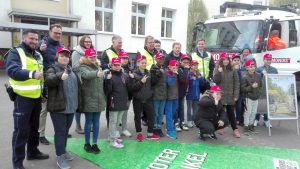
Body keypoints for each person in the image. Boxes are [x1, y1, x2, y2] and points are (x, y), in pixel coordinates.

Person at [5, 29, 49, 169]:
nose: (34, 41)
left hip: (36, 98)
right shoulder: (15, 52)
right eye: (31, 38)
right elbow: (12, 71)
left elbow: (42, 75)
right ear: (23, 38)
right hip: (22, 98)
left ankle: (32, 152)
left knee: (34, 128)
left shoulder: (37, 54)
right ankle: (17, 163)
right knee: (21, 131)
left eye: (36, 39)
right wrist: (30, 74)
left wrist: (43, 92)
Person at [45, 46, 80, 169]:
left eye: (67, 56)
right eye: (62, 55)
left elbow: (77, 89)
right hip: (59, 108)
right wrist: (59, 76)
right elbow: (48, 80)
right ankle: (60, 156)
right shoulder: (52, 69)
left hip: (71, 107)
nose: (65, 58)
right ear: (57, 57)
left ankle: (63, 150)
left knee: (65, 132)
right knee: (60, 132)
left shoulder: (71, 71)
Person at [37, 23, 63, 145]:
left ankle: (60, 131)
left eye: (59, 33)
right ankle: (40, 134)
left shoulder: (61, 46)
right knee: (44, 110)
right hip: (45, 81)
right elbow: (33, 58)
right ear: (50, 32)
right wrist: (39, 51)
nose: (58, 35)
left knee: (58, 107)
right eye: (55, 32)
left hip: (58, 80)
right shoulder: (41, 45)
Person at [80, 48, 106, 153]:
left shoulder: (98, 66)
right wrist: (96, 73)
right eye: (90, 56)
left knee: (96, 122)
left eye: (94, 56)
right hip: (89, 99)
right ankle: (87, 143)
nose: (92, 58)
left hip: (99, 99)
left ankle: (95, 143)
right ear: (86, 57)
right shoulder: (83, 67)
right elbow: (86, 75)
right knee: (88, 122)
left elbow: (101, 85)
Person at [129, 55, 160, 141]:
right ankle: (139, 133)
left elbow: (152, 85)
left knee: (151, 116)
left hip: (148, 99)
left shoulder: (149, 73)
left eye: (145, 63)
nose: (144, 64)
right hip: (137, 100)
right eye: (142, 63)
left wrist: (157, 75)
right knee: (137, 117)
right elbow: (132, 88)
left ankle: (150, 134)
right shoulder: (133, 74)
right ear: (138, 63)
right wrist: (141, 82)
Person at [213, 53, 241, 138]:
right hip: (220, 96)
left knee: (231, 113)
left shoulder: (233, 70)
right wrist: (219, 72)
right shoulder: (217, 69)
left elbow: (237, 83)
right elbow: (215, 81)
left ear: (229, 60)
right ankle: (221, 127)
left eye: (227, 59)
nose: (225, 61)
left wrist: (236, 95)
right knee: (221, 112)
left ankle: (235, 129)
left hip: (230, 96)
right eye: (223, 59)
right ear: (221, 60)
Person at [104, 57, 130, 149]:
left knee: (118, 121)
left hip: (122, 102)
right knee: (113, 121)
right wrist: (107, 80)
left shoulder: (124, 75)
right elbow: (107, 91)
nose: (117, 66)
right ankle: (112, 141)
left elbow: (128, 88)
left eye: (118, 64)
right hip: (113, 102)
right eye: (115, 65)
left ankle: (113, 137)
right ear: (111, 65)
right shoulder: (108, 75)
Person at [72, 35, 94, 134]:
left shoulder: (92, 51)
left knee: (88, 103)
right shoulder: (76, 53)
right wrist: (81, 62)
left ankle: (89, 124)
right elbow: (74, 68)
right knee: (79, 105)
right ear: (82, 42)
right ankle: (78, 126)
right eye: (86, 42)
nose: (88, 43)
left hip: (90, 80)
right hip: (80, 81)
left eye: (89, 42)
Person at [254, 53, 278, 128]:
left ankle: (266, 121)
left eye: (270, 59)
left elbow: (276, 81)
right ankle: (256, 119)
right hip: (260, 91)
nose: (268, 61)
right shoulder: (258, 69)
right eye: (267, 59)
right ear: (263, 60)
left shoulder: (274, 70)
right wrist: (261, 74)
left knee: (268, 106)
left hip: (270, 91)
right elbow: (255, 79)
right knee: (259, 105)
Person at [241, 60, 262, 136]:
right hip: (248, 97)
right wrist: (251, 87)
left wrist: (258, 92)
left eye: (253, 66)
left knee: (254, 112)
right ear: (246, 68)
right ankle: (246, 127)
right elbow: (243, 89)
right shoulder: (244, 77)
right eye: (250, 66)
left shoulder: (258, 75)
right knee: (248, 112)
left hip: (256, 97)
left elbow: (260, 85)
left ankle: (251, 126)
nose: (253, 68)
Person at [151, 52, 167, 137]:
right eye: (159, 58)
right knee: (155, 113)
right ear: (156, 59)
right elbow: (152, 82)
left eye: (162, 58)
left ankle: (159, 128)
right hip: (156, 95)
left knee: (161, 113)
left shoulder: (164, 68)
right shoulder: (153, 68)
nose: (161, 60)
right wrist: (159, 73)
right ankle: (154, 128)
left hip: (163, 95)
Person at [186, 60, 205, 128]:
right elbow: (187, 82)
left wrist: (200, 78)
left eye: (196, 65)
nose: (195, 66)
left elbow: (202, 84)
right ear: (190, 66)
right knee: (189, 109)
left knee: (196, 109)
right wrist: (191, 78)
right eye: (194, 65)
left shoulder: (198, 73)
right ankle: (189, 121)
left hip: (197, 95)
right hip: (190, 95)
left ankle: (195, 120)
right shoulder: (188, 73)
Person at [175, 54, 191, 131]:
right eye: (184, 62)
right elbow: (182, 79)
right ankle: (176, 123)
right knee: (177, 108)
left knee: (181, 108)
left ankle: (182, 122)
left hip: (183, 92)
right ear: (180, 62)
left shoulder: (187, 69)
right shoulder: (179, 69)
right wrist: (186, 69)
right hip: (177, 92)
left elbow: (187, 81)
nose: (186, 64)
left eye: (187, 62)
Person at [118, 51, 132, 137]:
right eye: (123, 58)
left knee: (125, 113)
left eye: (126, 58)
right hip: (118, 96)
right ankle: (115, 131)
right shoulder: (116, 68)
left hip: (128, 95)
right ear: (119, 59)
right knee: (117, 114)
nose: (125, 60)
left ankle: (124, 129)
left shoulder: (130, 69)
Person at [165, 60, 180, 139]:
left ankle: (171, 126)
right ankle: (169, 130)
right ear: (169, 67)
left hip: (175, 96)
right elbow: (169, 83)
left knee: (174, 112)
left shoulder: (177, 73)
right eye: (173, 67)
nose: (175, 68)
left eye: (176, 67)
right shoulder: (167, 73)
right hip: (169, 97)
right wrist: (174, 74)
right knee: (169, 114)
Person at [231, 54, 244, 125]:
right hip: (232, 92)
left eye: (238, 60)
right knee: (231, 107)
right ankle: (231, 120)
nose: (236, 62)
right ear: (232, 61)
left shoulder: (243, 70)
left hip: (240, 92)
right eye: (235, 60)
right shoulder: (230, 70)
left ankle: (238, 120)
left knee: (239, 107)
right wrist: (235, 70)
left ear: (240, 62)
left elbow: (242, 80)